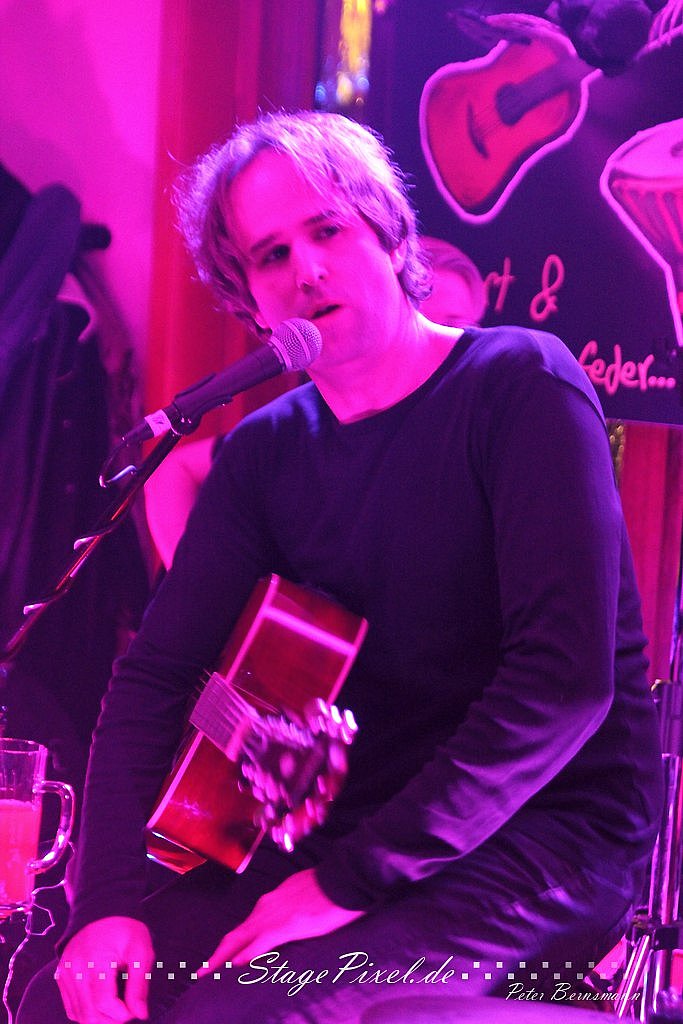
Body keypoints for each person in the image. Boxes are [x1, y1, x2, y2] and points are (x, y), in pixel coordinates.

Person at [18, 110, 663, 1024]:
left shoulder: (521, 384)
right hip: (340, 840)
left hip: (543, 841)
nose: (306, 270)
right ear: (249, 301)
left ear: (391, 237)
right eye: (271, 255)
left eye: (328, 230)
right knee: (70, 1000)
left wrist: (345, 884)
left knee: (255, 1009)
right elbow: (154, 679)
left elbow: (562, 684)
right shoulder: (264, 454)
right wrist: (107, 904)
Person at [144, 235, 486, 570]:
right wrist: (204, 588)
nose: (429, 333)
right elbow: (174, 472)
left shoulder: (478, 433)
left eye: (452, 326)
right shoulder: (308, 424)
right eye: (420, 316)